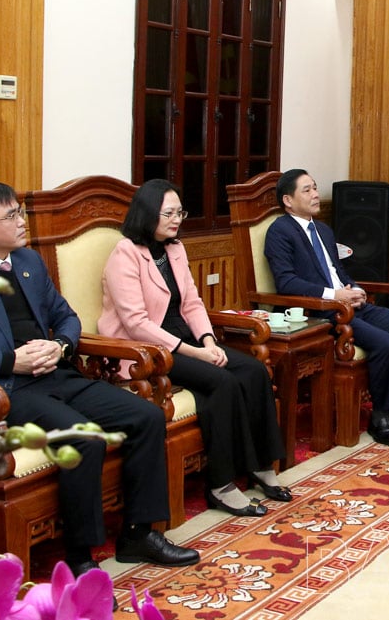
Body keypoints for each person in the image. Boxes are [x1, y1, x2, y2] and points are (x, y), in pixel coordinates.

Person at [0, 181, 199, 579]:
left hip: (57, 373)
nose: (21, 221)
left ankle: (138, 535)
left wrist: (61, 345)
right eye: (11, 215)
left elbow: (66, 317)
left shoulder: (27, 262)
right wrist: (10, 360)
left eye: (19, 212)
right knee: (82, 435)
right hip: (5, 390)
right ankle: (80, 555)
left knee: (145, 416)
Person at [97, 179, 291, 518]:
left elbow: (192, 304)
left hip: (184, 336)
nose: (176, 219)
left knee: (254, 370)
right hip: (147, 349)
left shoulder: (174, 248)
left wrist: (208, 340)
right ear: (146, 214)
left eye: (179, 212)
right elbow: (136, 323)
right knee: (222, 381)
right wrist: (195, 353)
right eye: (168, 213)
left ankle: (260, 465)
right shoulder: (125, 254)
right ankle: (221, 485)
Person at [264, 169, 389, 447]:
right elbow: (286, 282)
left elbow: (337, 271)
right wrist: (335, 296)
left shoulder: (322, 229)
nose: (315, 194)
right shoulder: (280, 231)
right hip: (320, 313)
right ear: (288, 199)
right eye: (307, 190)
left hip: (347, 304)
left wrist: (354, 290)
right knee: (385, 343)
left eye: (315, 187)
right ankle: (380, 416)